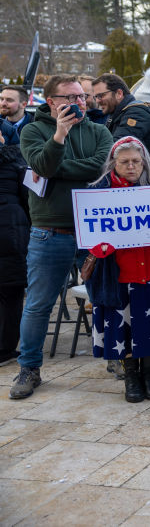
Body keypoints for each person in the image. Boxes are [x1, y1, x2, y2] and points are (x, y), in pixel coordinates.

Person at [10, 75, 112, 399]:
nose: (80, 103)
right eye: (70, 97)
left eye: (82, 97)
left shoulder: (99, 130)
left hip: (93, 231)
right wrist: (59, 135)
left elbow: (100, 168)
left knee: (106, 296)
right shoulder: (32, 131)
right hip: (49, 231)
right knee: (39, 305)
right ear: (51, 101)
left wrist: (58, 167)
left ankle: (117, 356)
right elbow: (41, 163)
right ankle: (29, 369)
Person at [85, 137, 150, 403]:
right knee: (126, 330)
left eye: (136, 161)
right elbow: (88, 232)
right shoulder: (99, 190)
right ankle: (131, 377)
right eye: (125, 162)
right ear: (113, 163)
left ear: (144, 161)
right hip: (119, 275)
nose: (131, 166)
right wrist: (99, 247)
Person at [0, 127, 28, 364]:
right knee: (11, 292)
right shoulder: (14, 161)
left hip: (10, 228)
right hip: (12, 228)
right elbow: (28, 195)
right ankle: (5, 348)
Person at [92, 73, 150, 166]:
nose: (97, 101)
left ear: (119, 94)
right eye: (96, 97)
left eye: (101, 95)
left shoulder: (137, 114)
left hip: (140, 178)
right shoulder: (118, 113)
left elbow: (115, 148)